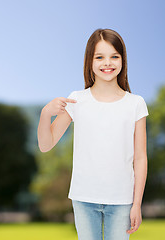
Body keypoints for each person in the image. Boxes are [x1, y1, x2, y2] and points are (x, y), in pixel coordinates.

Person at [37, 28, 149, 240]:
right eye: (100, 57)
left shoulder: (136, 103)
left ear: (123, 60)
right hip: (84, 197)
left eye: (114, 56)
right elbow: (46, 144)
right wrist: (45, 114)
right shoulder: (77, 100)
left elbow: (141, 158)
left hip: (122, 199)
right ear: (90, 61)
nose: (107, 63)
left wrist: (137, 204)